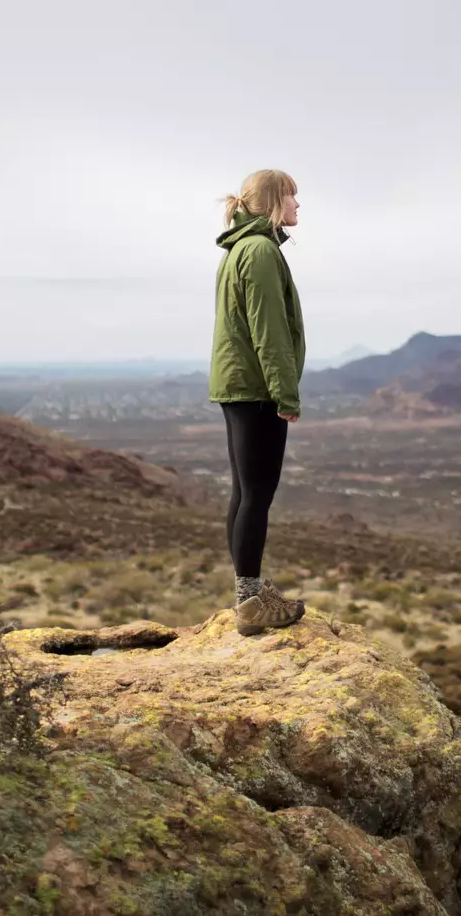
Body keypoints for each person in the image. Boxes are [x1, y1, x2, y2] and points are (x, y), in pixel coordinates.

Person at [209, 168, 309, 635]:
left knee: (244, 493)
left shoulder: (238, 249)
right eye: (292, 196)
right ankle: (250, 604)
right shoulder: (261, 251)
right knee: (258, 495)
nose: (297, 205)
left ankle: (247, 593)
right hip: (257, 388)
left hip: (238, 386)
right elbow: (268, 330)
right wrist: (284, 393)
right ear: (272, 201)